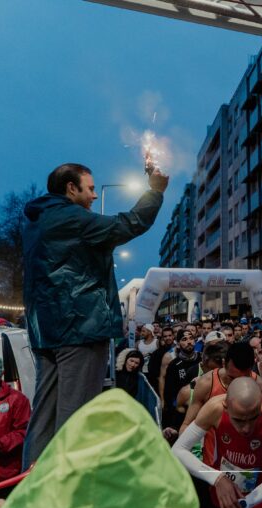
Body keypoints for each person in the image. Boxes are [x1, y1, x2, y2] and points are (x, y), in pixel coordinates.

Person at [22, 162, 168, 467]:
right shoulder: (73, 219)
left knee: (45, 416)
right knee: (75, 418)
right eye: (89, 189)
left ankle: (30, 487)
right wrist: (154, 192)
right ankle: (66, 491)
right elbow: (126, 225)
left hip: (46, 330)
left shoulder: (40, 221)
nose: (92, 196)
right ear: (70, 188)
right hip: (80, 328)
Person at [173, 378, 262, 508]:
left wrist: (244, 504)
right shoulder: (215, 408)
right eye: (238, 420)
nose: (246, 428)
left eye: (253, 418)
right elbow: (178, 450)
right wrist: (217, 478)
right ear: (225, 406)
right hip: (220, 498)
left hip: (259, 501)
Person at [0, 354, 30, 487]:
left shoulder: (17, 400)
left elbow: (25, 431)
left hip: (3, 475)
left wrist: (1, 443)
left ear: (1, 375)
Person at [162, 329, 201, 431]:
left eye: (191, 338)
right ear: (178, 344)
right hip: (182, 410)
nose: (189, 341)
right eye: (184, 339)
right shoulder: (174, 365)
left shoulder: (202, 359)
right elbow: (169, 393)